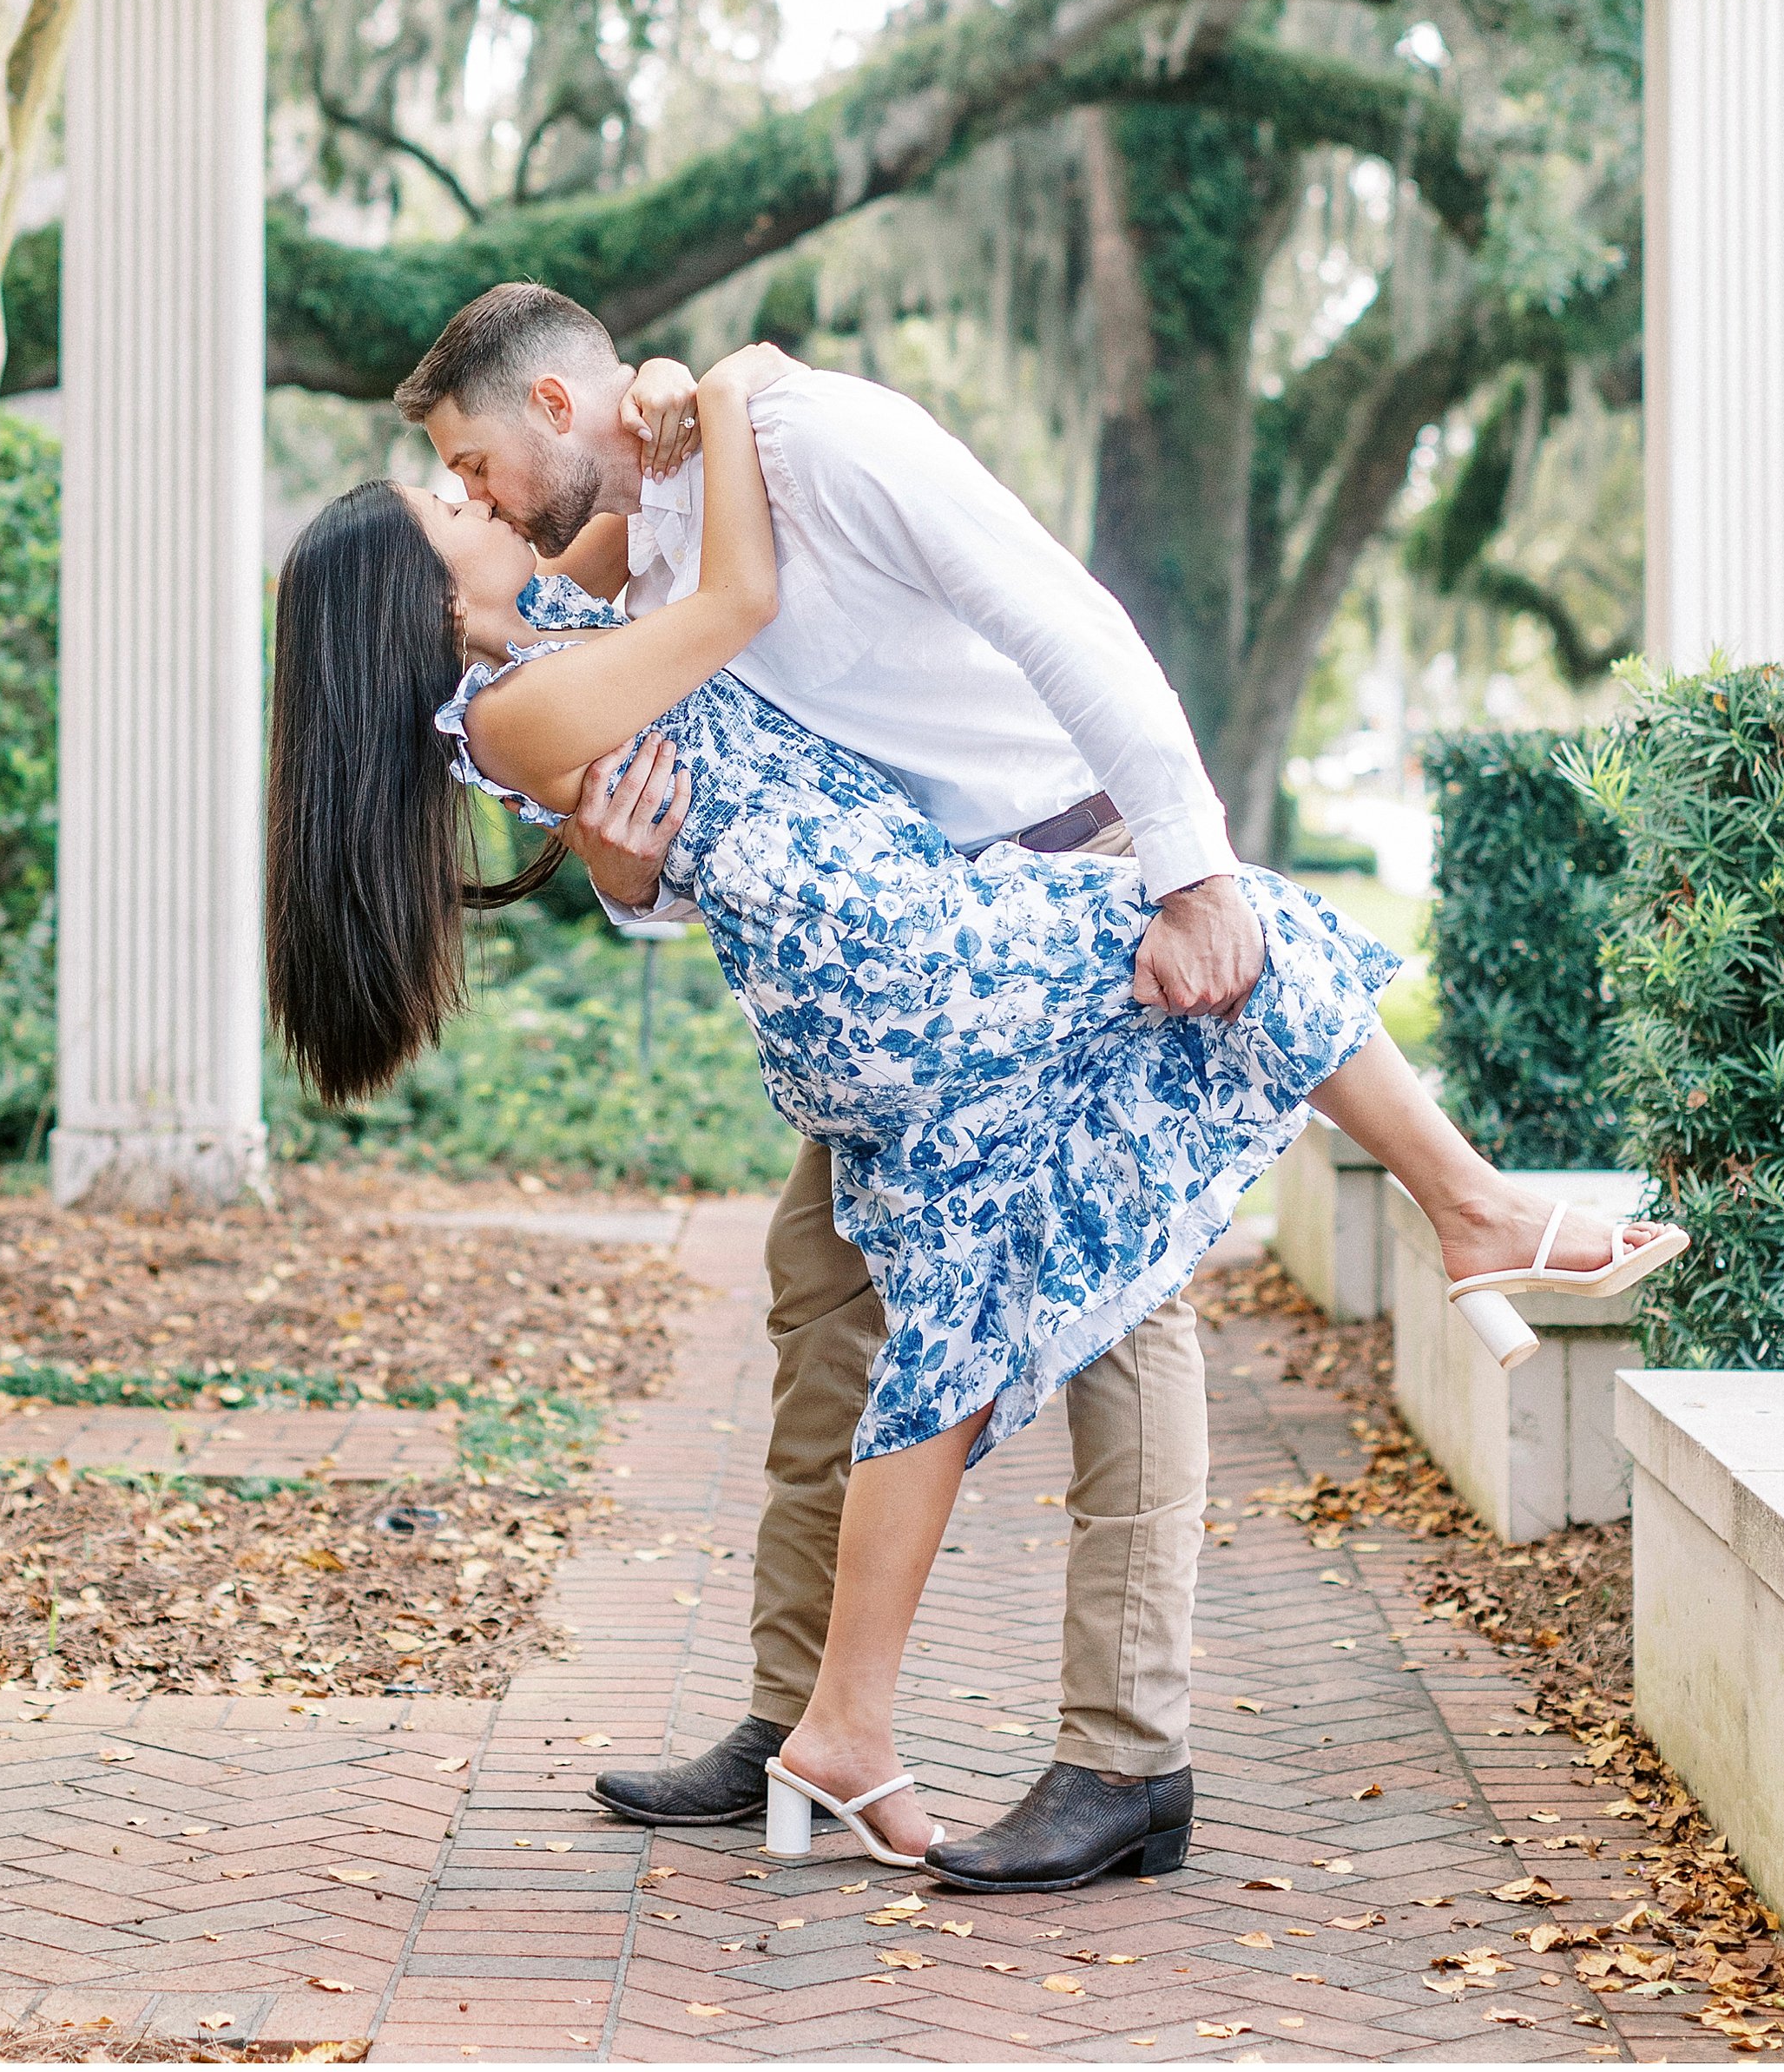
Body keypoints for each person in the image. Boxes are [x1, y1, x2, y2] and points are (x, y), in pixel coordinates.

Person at [265, 335, 1686, 1884]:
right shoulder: (528, 677)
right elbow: (724, 629)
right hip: (913, 969)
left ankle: (905, 1738)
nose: (471, 499)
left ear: (549, 408)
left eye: (465, 467)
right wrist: (726, 386)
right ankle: (1470, 1206)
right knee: (1241, 941)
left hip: (936, 937)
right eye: (448, 501)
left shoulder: (601, 578)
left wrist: (684, 390)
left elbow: (677, 596)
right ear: (422, 598)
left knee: (980, 1311)